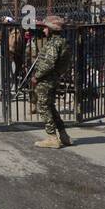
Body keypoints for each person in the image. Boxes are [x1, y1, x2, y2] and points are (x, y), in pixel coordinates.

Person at [30, 15, 73, 148]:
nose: (44, 31)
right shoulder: (62, 41)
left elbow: (48, 63)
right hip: (53, 78)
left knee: (43, 107)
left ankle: (52, 138)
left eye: (46, 28)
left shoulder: (54, 43)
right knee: (51, 107)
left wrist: (36, 76)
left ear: (52, 29)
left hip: (46, 80)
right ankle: (64, 135)